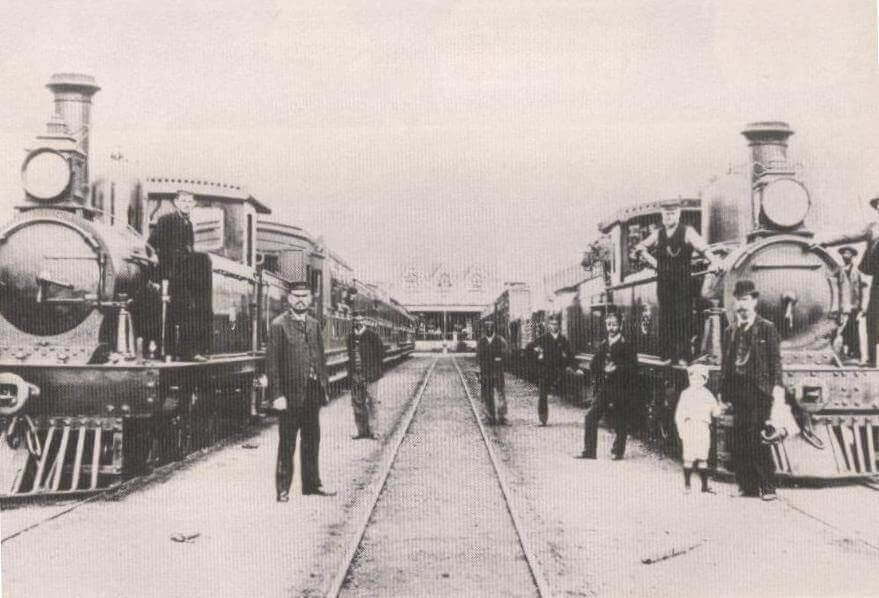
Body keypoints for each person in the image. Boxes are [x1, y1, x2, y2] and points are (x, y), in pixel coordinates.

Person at [266, 281, 334, 501]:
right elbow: (272, 363)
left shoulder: (314, 325)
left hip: (312, 393)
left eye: (305, 296)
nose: (300, 300)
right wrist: (277, 395)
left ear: (311, 299)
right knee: (287, 443)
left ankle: (312, 484)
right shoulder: (278, 325)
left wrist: (324, 386)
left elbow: (320, 358)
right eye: (296, 296)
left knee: (312, 440)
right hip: (290, 395)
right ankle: (283, 488)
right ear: (289, 298)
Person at [633, 200, 722, 364]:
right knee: (666, 317)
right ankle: (668, 356)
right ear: (662, 215)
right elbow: (641, 247)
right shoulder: (658, 234)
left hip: (682, 282)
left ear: (678, 214)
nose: (669, 216)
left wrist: (714, 261)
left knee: (683, 317)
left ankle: (683, 356)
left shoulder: (687, 232)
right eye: (666, 213)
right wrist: (655, 263)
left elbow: (704, 249)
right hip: (664, 283)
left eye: (673, 213)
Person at [720, 280, 782, 501]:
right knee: (739, 439)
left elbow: (775, 362)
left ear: (754, 301)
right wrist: (723, 394)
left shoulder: (767, 328)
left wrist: (777, 391)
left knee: (757, 438)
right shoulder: (730, 330)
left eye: (745, 300)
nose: (741, 305)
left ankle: (768, 487)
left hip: (759, 392)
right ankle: (748, 487)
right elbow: (725, 364)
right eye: (738, 300)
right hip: (738, 391)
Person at [815, 197, 879, 365]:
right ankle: (872, 360)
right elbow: (848, 236)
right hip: (878, 277)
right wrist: (824, 242)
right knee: (873, 318)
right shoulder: (872, 228)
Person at [147, 190, 206, 361]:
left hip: (183, 277)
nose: (187, 204)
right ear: (176, 202)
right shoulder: (166, 220)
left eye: (190, 201)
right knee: (170, 314)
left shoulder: (188, 224)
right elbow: (151, 246)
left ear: (193, 204)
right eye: (183, 201)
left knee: (187, 311)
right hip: (168, 276)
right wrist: (157, 272)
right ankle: (168, 352)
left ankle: (186, 351)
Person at [577, 310, 638, 460]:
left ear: (620, 325)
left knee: (620, 419)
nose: (611, 327)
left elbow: (634, 368)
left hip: (620, 388)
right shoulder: (604, 344)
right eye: (609, 324)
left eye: (614, 324)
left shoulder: (627, 345)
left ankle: (618, 451)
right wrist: (603, 369)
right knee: (590, 416)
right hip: (604, 388)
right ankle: (589, 451)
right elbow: (593, 365)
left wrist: (617, 368)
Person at [674, 364, 723, 494]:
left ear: (705, 380)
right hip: (690, 427)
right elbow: (679, 414)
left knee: (702, 457)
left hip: (703, 427)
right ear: (689, 379)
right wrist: (681, 430)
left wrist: (720, 406)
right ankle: (687, 485)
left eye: (699, 379)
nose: (696, 382)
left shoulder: (708, 395)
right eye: (693, 379)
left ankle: (704, 486)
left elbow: (716, 412)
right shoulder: (685, 394)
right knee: (689, 457)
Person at [527, 314, 575, 426]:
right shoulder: (543, 338)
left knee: (563, 392)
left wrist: (573, 366)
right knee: (542, 395)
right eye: (552, 324)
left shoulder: (563, 340)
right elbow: (529, 348)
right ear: (549, 326)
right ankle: (543, 419)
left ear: (559, 325)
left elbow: (570, 355)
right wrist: (537, 353)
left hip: (559, 371)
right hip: (545, 371)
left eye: (556, 324)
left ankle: (567, 416)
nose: (554, 326)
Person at [347, 310, 384, 440]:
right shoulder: (351, 337)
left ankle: (375, 431)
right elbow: (350, 356)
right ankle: (361, 431)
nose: (358, 322)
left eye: (361, 320)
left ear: (365, 321)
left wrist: (374, 370)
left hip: (371, 375)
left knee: (372, 402)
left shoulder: (372, 335)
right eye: (356, 320)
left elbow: (381, 353)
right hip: (356, 375)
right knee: (357, 403)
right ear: (353, 321)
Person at [837, 246, 868, 363]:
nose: (845, 255)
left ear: (853, 256)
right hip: (843, 305)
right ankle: (844, 354)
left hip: (854, 306)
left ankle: (855, 355)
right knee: (842, 330)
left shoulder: (858, 271)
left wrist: (864, 307)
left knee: (853, 330)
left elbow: (864, 288)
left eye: (848, 253)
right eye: (844, 253)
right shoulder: (840, 270)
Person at [477, 319, 508, 425]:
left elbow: (506, 354)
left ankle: (502, 416)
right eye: (487, 327)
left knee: (500, 393)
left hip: (498, 370)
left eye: (491, 327)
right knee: (487, 394)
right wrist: (479, 370)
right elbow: (479, 357)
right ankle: (489, 416)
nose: (489, 329)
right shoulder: (481, 342)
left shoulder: (500, 340)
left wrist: (501, 358)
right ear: (484, 329)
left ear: (494, 328)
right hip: (486, 371)